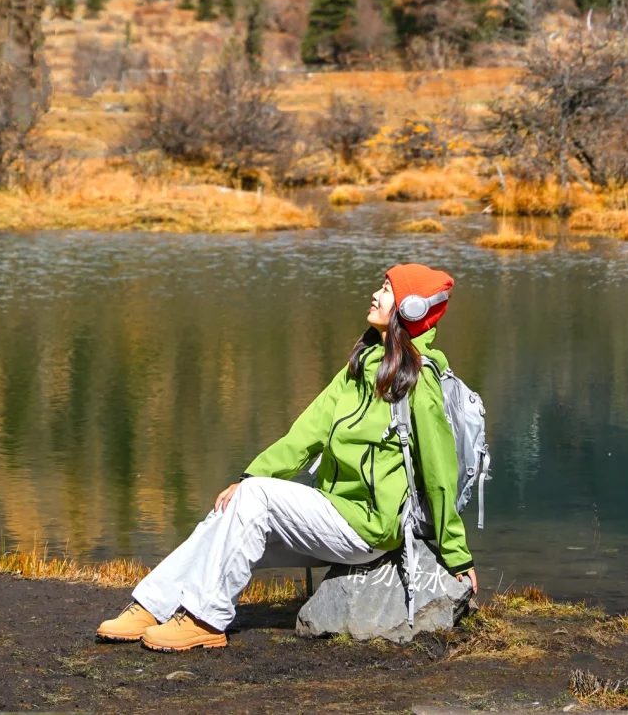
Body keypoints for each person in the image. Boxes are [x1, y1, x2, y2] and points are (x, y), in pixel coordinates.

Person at [97, 261, 477, 652]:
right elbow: (303, 437)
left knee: (256, 498)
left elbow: (439, 472)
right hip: (333, 512)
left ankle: (205, 620)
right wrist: (248, 478)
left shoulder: (419, 381)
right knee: (229, 508)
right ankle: (153, 605)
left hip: (370, 528)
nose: (375, 294)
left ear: (411, 308)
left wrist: (457, 555)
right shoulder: (359, 368)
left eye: (386, 289)